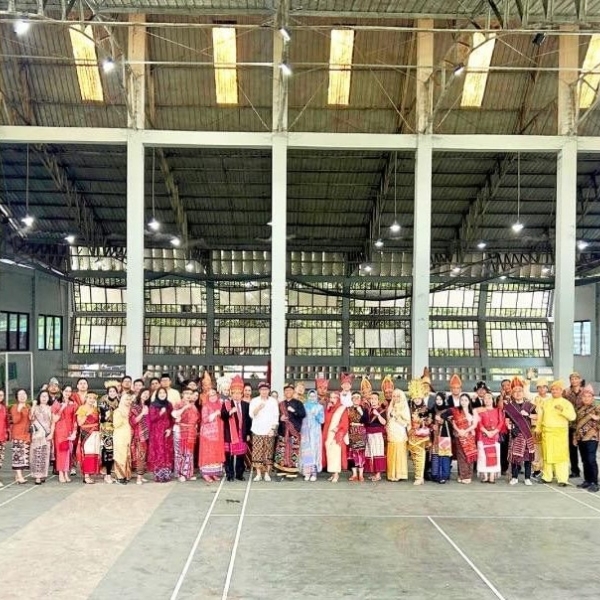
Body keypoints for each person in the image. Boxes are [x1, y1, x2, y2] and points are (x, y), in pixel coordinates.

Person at [535, 380, 576, 486]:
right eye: (552, 389)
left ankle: (562, 479)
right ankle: (547, 477)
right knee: (547, 456)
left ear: (561, 391)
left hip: (560, 434)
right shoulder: (546, 402)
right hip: (547, 433)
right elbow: (540, 417)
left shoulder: (566, 403)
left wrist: (563, 410)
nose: (554, 391)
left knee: (560, 457)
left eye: (557, 389)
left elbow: (572, 417)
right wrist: (538, 429)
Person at [504, 377, 536, 486]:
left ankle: (527, 477)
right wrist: (510, 427)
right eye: (515, 391)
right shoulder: (509, 407)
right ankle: (514, 477)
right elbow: (506, 420)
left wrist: (528, 415)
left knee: (528, 457)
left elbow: (537, 417)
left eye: (520, 391)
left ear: (523, 392)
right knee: (515, 457)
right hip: (515, 434)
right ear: (512, 393)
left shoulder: (530, 405)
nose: (517, 393)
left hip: (527, 434)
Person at [222, 375, 251, 482]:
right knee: (229, 456)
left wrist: (248, 433)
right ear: (231, 393)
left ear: (242, 393)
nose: (236, 395)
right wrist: (230, 412)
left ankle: (239, 474)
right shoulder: (226, 404)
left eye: (239, 393)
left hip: (241, 434)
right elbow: (223, 415)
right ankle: (230, 474)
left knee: (240, 456)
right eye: (234, 393)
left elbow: (248, 420)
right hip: (229, 434)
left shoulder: (245, 405)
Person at [274, 383, 306, 479]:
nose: (288, 392)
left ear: (293, 392)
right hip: (282, 431)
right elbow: (275, 416)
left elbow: (303, 414)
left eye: (290, 390)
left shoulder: (298, 403)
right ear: (284, 392)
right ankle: (281, 469)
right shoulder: (280, 404)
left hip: (294, 431)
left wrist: (294, 411)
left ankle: (292, 471)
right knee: (282, 450)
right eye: (286, 390)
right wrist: (280, 417)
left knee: (293, 451)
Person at [249, 382, 279, 482]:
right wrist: (258, 408)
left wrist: (273, 429)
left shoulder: (273, 401)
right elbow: (251, 415)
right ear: (259, 390)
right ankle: (258, 474)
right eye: (262, 390)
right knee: (257, 453)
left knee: (268, 453)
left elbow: (276, 416)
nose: (264, 391)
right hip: (257, 430)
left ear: (269, 391)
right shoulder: (254, 400)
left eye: (266, 390)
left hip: (269, 431)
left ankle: (266, 473)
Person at [573, 384, 600, 493]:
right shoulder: (579, 408)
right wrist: (574, 437)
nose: (586, 398)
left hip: (592, 437)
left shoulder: (597, 407)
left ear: (592, 398)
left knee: (591, 459)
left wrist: (597, 418)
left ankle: (595, 482)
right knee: (584, 460)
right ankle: (587, 480)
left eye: (589, 396)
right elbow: (576, 424)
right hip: (581, 438)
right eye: (584, 396)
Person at [448, 393, 478, 484]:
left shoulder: (473, 411)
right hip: (459, 435)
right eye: (462, 400)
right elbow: (453, 423)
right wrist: (459, 430)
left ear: (469, 401)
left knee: (469, 455)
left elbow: (475, 425)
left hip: (469, 436)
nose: (463, 402)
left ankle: (467, 476)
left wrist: (465, 431)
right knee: (461, 456)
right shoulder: (456, 411)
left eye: (465, 400)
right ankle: (462, 475)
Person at [476, 392, 504, 484]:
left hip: (494, 436)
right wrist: (487, 432)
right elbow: (479, 423)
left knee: (494, 456)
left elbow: (501, 423)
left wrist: (494, 432)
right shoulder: (480, 410)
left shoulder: (498, 410)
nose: (487, 400)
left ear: (492, 400)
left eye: (489, 398)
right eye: (485, 398)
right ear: (483, 400)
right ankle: (484, 476)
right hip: (483, 436)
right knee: (482, 456)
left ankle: (492, 476)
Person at [407, 380, 431, 485]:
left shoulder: (425, 408)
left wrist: (421, 421)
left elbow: (429, 421)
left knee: (420, 455)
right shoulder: (410, 408)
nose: (417, 400)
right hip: (411, 435)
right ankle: (418, 476)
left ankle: (419, 477)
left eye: (418, 398)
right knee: (413, 456)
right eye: (415, 398)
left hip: (421, 435)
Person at [147, 387, 174, 482]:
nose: (162, 394)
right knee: (159, 452)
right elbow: (152, 418)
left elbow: (172, 419)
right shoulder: (153, 405)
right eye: (160, 393)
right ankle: (159, 475)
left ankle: (166, 475)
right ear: (157, 394)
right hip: (157, 433)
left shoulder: (169, 404)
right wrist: (160, 413)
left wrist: (170, 429)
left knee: (167, 452)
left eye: (164, 393)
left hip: (167, 432)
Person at [173, 389, 200, 482]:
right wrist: (184, 408)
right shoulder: (179, 404)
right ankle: (180, 473)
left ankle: (188, 473)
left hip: (191, 431)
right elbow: (174, 415)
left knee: (189, 453)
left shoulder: (193, 406)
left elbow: (196, 419)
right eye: (186, 393)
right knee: (180, 452)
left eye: (190, 394)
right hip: (180, 431)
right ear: (182, 394)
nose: (189, 395)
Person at [199, 388, 225, 483]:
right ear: (207, 397)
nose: (213, 396)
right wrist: (215, 414)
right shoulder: (206, 406)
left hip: (218, 433)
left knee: (215, 453)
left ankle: (214, 472)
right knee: (208, 453)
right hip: (208, 435)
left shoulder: (220, 405)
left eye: (214, 394)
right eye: (210, 395)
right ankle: (206, 473)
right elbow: (205, 419)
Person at [322, 392, 348, 483]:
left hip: (336, 434)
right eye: (331, 397)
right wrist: (327, 409)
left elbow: (344, 422)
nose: (332, 399)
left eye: (334, 397)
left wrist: (337, 428)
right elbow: (324, 421)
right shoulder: (329, 409)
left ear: (338, 398)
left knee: (335, 454)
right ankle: (332, 473)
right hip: (327, 433)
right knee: (329, 454)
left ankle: (336, 474)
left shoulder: (342, 408)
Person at [52, 385, 76, 483]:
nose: (68, 393)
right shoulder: (57, 404)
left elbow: (75, 420)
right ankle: (61, 473)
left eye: (70, 391)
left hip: (69, 430)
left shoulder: (73, 404)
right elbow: (54, 419)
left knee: (68, 453)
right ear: (62, 391)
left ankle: (66, 472)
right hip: (60, 431)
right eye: (66, 391)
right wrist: (62, 407)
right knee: (61, 452)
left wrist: (74, 431)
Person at [30, 389, 54, 484]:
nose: (44, 398)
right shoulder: (36, 407)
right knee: (36, 455)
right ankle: (37, 476)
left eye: (46, 396)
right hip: (36, 434)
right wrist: (33, 405)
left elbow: (53, 422)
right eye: (42, 396)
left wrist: (51, 433)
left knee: (45, 455)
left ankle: (43, 474)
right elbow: (30, 417)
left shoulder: (50, 408)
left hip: (46, 434)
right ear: (39, 397)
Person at [76, 392, 101, 484]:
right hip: (87, 433)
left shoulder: (96, 409)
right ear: (86, 398)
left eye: (93, 398)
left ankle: (90, 474)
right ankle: (86, 475)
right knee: (88, 454)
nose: (92, 400)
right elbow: (80, 423)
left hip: (96, 433)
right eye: (90, 398)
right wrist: (88, 414)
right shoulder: (82, 408)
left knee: (94, 454)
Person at [386, 388, 410, 482]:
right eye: (394, 396)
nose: (395, 398)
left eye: (398, 396)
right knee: (392, 452)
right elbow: (388, 419)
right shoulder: (391, 406)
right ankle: (392, 474)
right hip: (391, 432)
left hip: (399, 432)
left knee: (399, 452)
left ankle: (400, 474)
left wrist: (396, 416)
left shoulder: (404, 406)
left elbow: (406, 422)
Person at [300, 389, 324, 481]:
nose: (312, 398)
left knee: (314, 452)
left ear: (316, 397)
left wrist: (316, 415)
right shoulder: (304, 406)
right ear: (308, 396)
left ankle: (314, 473)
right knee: (306, 452)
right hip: (305, 432)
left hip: (315, 433)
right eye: (310, 396)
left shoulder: (319, 407)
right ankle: (307, 473)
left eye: (314, 396)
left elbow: (322, 420)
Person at [563, 372, 584, 478]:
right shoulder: (566, 392)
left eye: (576, 378)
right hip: (570, 424)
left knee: (585, 449)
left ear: (580, 380)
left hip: (583, 424)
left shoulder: (585, 392)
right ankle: (575, 470)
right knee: (572, 449)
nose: (574, 381)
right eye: (572, 379)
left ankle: (589, 472)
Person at [98, 384, 120, 484]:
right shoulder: (103, 403)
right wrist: (106, 416)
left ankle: (112, 472)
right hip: (107, 429)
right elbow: (101, 419)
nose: (112, 393)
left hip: (118, 429)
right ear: (107, 393)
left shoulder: (119, 403)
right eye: (110, 391)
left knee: (115, 452)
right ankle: (107, 475)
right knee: (108, 452)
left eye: (114, 391)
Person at [429, 392, 452, 484]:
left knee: (444, 456)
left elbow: (451, 424)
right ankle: (435, 475)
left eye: (440, 399)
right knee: (435, 455)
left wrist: (443, 421)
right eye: (437, 399)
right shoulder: (432, 410)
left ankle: (444, 475)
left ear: (443, 400)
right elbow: (428, 421)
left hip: (444, 437)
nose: (438, 401)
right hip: (434, 437)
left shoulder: (448, 411)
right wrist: (431, 425)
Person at [10, 389, 31, 484]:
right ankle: (19, 476)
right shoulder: (14, 407)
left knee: (24, 456)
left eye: (24, 394)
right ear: (17, 397)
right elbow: (15, 420)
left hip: (26, 435)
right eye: (20, 394)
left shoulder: (28, 406)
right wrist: (19, 410)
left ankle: (18, 476)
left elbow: (31, 418)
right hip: (18, 435)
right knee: (18, 456)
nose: (22, 396)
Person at [365, 390, 387, 482]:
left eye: (375, 399)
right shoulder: (368, 410)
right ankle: (374, 473)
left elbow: (384, 422)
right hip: (369, 435)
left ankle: (378, 474)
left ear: (378, 400)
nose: (373, 400)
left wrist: (377, 415)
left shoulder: (381, 410)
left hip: (377, 435)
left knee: (378, 453)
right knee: (371, 453)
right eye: (371, 399)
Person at [130, 388, 150, 485]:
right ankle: (138, 477)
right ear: (140, 394)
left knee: (143, 456)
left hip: (146, 434)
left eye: (148, 394)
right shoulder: (135, 407)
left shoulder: (147, 406)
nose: (146, 395)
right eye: (144, 393)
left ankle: (141, 476)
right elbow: (133, 421)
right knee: (139, 456)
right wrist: (142, 413)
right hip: (138, 434)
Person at [347, 391, 369, 482]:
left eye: (358, 397)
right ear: (351, 399)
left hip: (361, 432)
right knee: (352, 453)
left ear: (360, 399)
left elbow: (366, 421)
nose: (356, 399)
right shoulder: (348, 409)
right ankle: (354, 474)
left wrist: (361, 412)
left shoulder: (364, 409)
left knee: (360, 453)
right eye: (354, 397)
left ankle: (361, 474)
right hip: (351, 431)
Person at [112, 393, 133, 484]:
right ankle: (120, 477)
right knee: (120, 456)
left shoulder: (132, 410)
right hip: (119, 436)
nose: (128, 401)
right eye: (126, 399)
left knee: (127, 455)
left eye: (129, 400)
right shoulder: (118, 411)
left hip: (129, 436)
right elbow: (116, 424)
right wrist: (124, 417)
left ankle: (127, 475)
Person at [531, 379, 549, 479]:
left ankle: (547, 470)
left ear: (547, 388)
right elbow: (530, 414)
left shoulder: (551, 400)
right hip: (535, 427)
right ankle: (537, 469)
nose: (542, 389)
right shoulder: (534, 400)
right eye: (539, 387)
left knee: (547, 449)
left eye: (544, 387)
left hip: (548, 428)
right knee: (536, 449)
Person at [0, 389, 8, 487]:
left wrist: (6, 434)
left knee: (0, 459)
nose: (0, 397)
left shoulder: (4, 408)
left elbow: (6, 423)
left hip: (2, 437)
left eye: (2, 395)